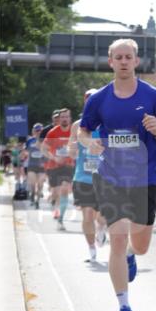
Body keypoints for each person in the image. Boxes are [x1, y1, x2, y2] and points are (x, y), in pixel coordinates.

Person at [79, 38, 156, 311]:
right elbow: (83, 132)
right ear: (110, 61)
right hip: (112, 176)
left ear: (136, 61)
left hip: (145, 177)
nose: (123, 61)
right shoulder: (99, 99)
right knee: (117, 237)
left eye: (127, 57)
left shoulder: (154, 96)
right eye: (117, 57)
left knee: (140, 245)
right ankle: (124, 306)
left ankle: (133, 255)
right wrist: (90, 144)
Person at [69, 91, 107, 262]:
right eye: (88, 99)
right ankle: (91, 249)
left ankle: (101, 228)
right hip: (83, 176)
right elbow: (71, 150)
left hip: (105, 176)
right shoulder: (77, 125)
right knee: (87, 215)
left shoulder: (108, 122)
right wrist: (73, 148)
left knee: (102, 215)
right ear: (84, 102)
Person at [41, 108, 75, 229]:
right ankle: (55, 205)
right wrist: (54, 158)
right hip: (54, 166)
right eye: (62, 117)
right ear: (59, 119)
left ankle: (60, 219)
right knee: (55, 193)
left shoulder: (74, 131)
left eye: (67, 117)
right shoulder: (53, 132)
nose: (65, 119)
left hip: (68, 166)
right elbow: (43, 149)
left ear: (70, 118)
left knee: (64, 189)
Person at [25, 124, 47, 207]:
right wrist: (24, 154)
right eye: (37, 131)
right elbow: (26, 151)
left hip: (42, 166)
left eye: (40, 131)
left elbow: (49, 152)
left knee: (40, 184)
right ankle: (32, 196)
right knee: (33, 184)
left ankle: (37, 201)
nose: (39, 132)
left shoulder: (46, 141)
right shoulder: (30, 141)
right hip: (31, 165)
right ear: (33, 132)